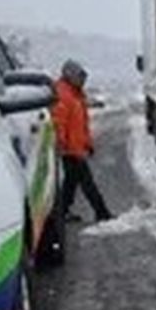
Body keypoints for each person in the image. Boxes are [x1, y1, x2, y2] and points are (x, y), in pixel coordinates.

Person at [52, 60, 113, 223]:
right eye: (80, 76)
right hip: (69, 149)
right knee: (87, 183)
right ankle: (102, 212)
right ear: (70, 76)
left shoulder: (75, 94)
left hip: (76, 147)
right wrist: (61, 143)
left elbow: (81, 124)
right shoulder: (64, 95)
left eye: (83, 77)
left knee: (71, 182)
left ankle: (62, 211)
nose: (83, 80)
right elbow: (59, 122)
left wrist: (87, 144)